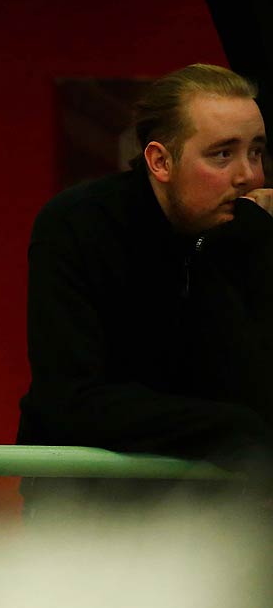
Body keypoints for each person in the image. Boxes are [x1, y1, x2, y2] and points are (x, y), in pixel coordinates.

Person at [18, 63, 273, 501]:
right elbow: (71, 399)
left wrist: (252, 251)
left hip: (215, 506)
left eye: (256, 151)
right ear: (160, 161)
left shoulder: (245, 235)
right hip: (90, 504)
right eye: (222, 154)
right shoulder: (79, 224)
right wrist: (238, 430)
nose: (249, 175)